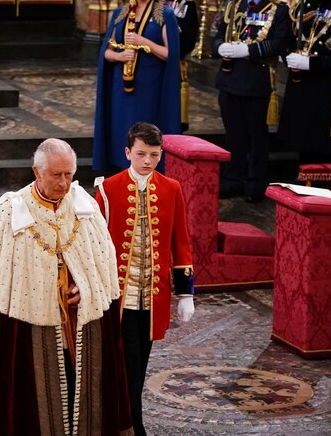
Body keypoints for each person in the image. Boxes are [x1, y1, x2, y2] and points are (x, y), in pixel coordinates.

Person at [0, 139, 132, 436]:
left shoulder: (85, 208)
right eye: (56, 175)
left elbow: (103, 269)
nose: (64, 183)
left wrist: (84, 288)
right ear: (37, 171)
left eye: (69, 174)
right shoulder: (11, 213)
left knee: (81, 392)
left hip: (79, 329)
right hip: (28, 333)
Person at [95, 122, 195, 436]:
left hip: (153, 297)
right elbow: (93, 243)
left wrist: (186, 293)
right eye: (141, 154)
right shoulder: (107, 189)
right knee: (127, 363)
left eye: (154, 154)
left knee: (140, 363)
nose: (147, 161)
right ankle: (133, 425)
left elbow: (181, 241)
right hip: (119, 296)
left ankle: (126, 421)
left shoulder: (171, 188)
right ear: (127, 153)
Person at [212, 0, 292, 202]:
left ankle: (256, 182)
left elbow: (279, 42)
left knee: (257, 136)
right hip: (230, 80)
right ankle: (234, 179)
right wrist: (220, 47)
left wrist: (248, 51)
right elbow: (218, 35)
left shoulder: (279, 10)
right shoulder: (234, 5)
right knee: (234, 134)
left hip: (257, 81)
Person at [94, 0, 181, 171]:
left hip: (149, 87)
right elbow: (106, 52)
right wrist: (119, 56)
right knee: (121, 127)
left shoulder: (165, 15)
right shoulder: (119, 13)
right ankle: (119, 170)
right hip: (121, 87)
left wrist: (145, 42)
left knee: (144, 130)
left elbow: (171, 55)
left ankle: (145, 170)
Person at [278, 0, 331, 163]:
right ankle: (304, 181)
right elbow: (286, 38)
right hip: (301, 82)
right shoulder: (305, 4)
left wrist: (313, 63)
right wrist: (289, 57)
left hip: (327, 84)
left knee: (324, 143)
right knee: (301, 139)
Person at [161, 0, 200, 131]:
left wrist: (167, 53)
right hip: (146, 63)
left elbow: (188, 40)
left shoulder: (185, 2)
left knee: (170, 112)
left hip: (172, 65)